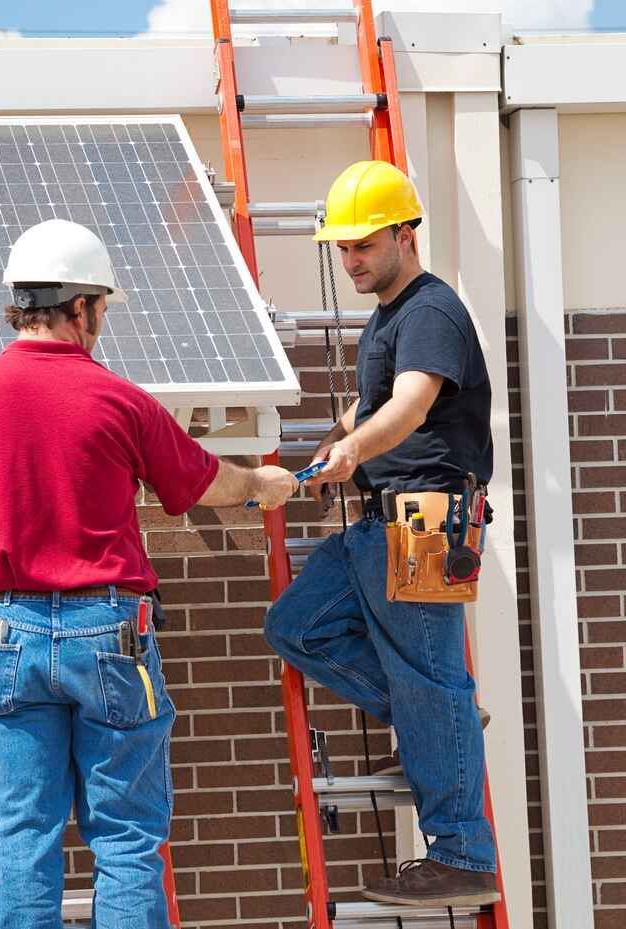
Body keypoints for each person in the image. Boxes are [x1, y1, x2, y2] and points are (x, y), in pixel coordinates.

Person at [0, 218, 295, 929]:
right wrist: (263, 482)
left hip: (4, 636)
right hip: (108, 633)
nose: (102, 323)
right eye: (103, 309)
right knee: (128, 842)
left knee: (21, 848)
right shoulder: (119, 399)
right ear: (79, 307)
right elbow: (203, 483)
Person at [264, 161, 501, 907]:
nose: (351, 259)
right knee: (296, 626)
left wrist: (356, 447)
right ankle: (438, 714)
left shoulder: (430, 311)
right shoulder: (388, 317)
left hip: (428, 518)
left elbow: (407, 406)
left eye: (363, 245)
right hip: (380, 521)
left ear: (405, 233)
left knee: (431, 680)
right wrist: (328, 450)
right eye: (342, 249)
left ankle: (462, 853)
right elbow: (371, 407)